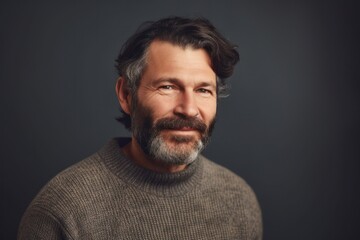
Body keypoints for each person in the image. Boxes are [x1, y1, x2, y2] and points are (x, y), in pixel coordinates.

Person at [18, 16, 262, 239]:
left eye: (203, 90)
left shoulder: (239, 200)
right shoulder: (61, 213)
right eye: (167, 86)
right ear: (126, 95)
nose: (188, 109)